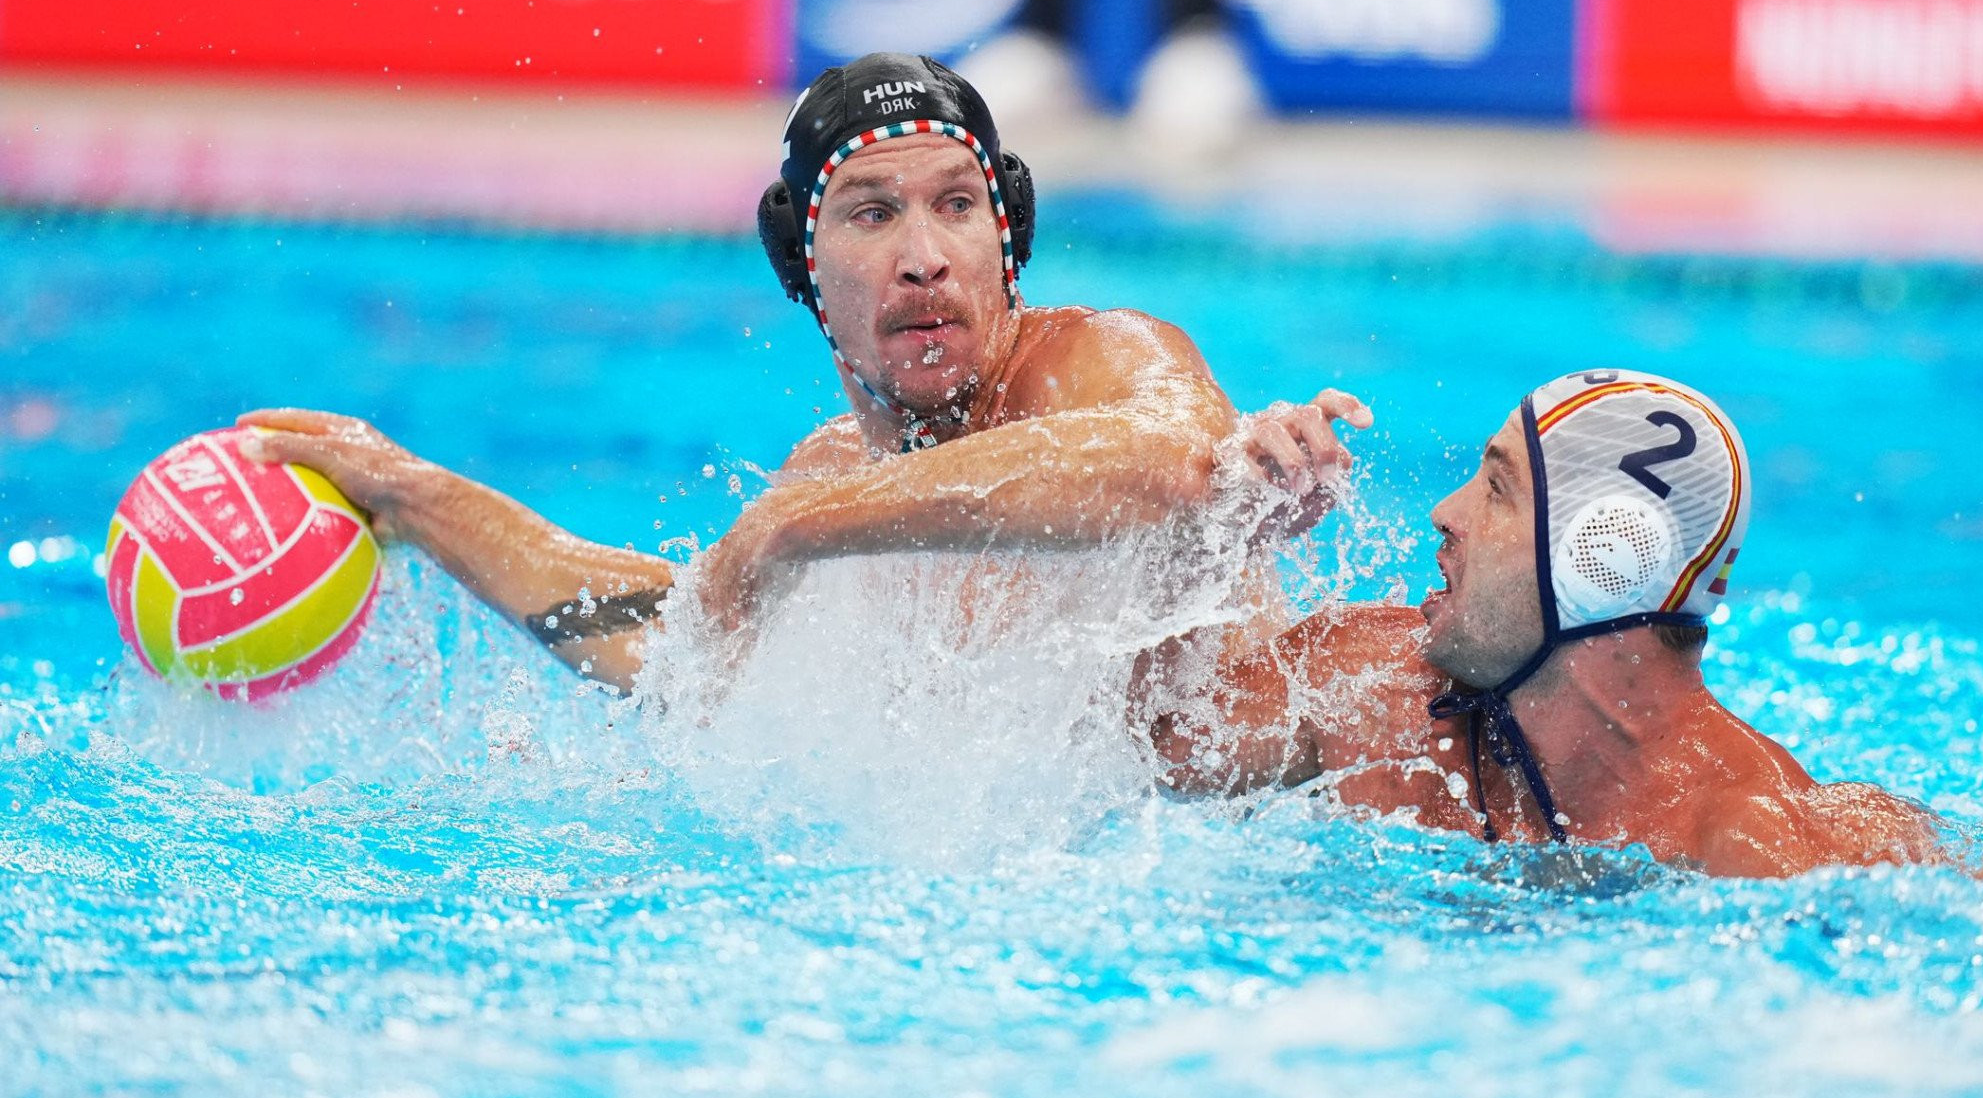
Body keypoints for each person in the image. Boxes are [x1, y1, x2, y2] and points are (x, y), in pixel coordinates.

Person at [238, 52, 1366, 689]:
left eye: (956, 206)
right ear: (802, 265)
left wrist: (791, 531)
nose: (924, 257)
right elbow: (676, 648)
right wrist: (415, 496)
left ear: (1007, 235)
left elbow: (1173, 458)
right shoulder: (826, 478)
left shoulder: (1097, 360)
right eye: (873, 214)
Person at [1143, 369, 1947, 880]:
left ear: (1606, 560)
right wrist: (1217, 530)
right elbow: (1119, 755)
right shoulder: (1364, 686)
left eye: (1497, 489)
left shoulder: (1763, 848)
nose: (1444, 512)